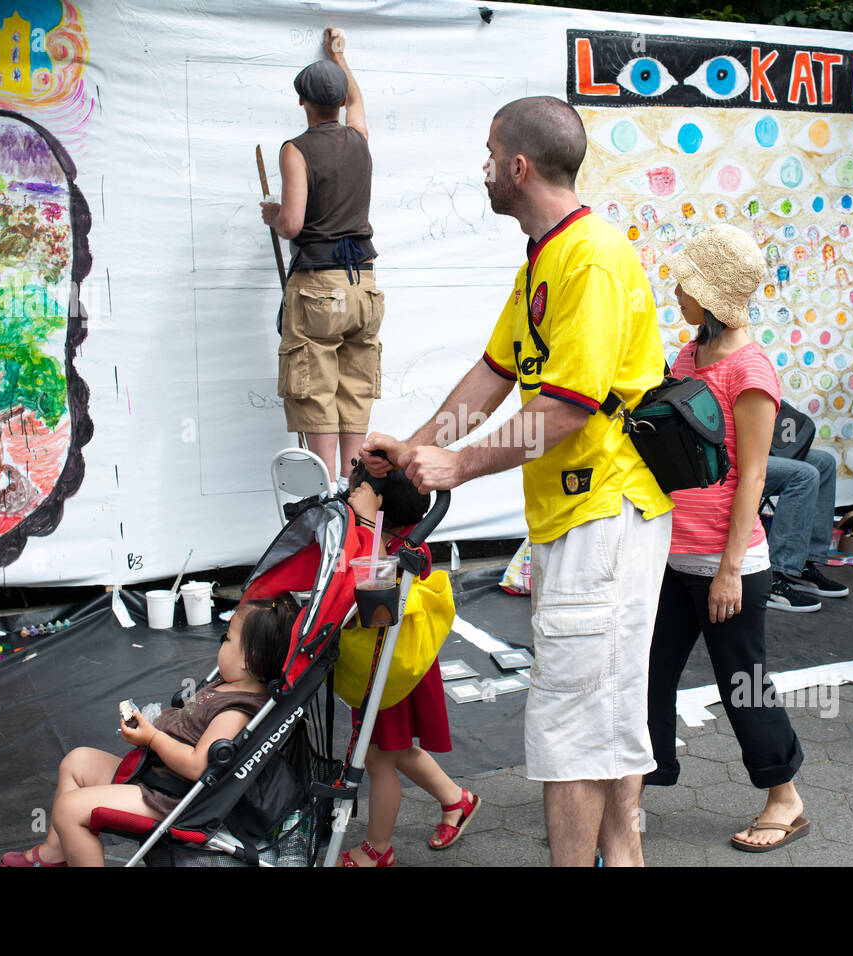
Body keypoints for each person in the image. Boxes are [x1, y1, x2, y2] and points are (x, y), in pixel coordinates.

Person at [363, 96, 673, 866]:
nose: (483, 170)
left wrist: (460, 466)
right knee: (605, 706)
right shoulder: (547, 254)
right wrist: (416, 449)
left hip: (605, 515)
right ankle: (622, 859)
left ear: (518, 166)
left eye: (489, 154)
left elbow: (567, 409)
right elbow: (495, 372)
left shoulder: (591, 257)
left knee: (570, 724)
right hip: (586, 519)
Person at [644, 226, 808, 852]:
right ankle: (633, 787)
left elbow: (755, 475)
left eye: (685, 284)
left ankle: (785, 798)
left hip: (724, 562)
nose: (676, 292)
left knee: (743, 684)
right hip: (669, 553)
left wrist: (729, 569)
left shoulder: (751, 369)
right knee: (647, 678)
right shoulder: (688, 357)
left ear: (712, 295)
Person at [1, 600, 296, 866]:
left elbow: (197, 765)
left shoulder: (235, 712)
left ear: (249, 658)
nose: (221, 643)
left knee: (69, 810)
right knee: (76, 762)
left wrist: (153, 738)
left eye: (227, 638)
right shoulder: (222, 683)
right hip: (156, 774)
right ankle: (55, 854)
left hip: (174, 799)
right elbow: (188, 713)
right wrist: (152, 724)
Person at [335, 461, 478, 866]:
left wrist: (364, 523)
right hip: (382, 665)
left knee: (379, 757)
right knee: (392, 749)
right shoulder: (392, 540)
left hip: (390, 669)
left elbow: (374, 583)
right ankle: (457, 799)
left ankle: (377, 848)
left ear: (380, 506)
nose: (349, 498)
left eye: (357, 491)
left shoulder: (405, 551)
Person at [262, 27, 382, 483]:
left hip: (319, 287)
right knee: (354, 390)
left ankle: (328, 494)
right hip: (364, 287)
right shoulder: (360, 138)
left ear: (301, 102)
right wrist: (340, 57)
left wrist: (273, 213)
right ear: (340, 102)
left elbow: (292, 224)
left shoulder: (296, 150)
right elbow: (358, 102)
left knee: (315, 389)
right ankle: (355, 493)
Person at [763, 448, 848, 612]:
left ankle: (801, 566)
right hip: (733, 453)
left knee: (824, 462)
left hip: (761, 446)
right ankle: (773, 577)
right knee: (804, 475)